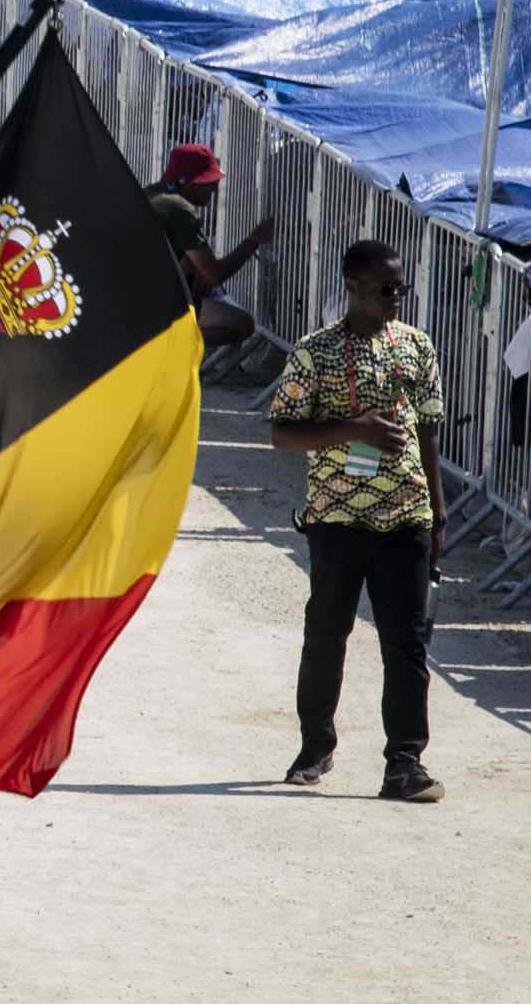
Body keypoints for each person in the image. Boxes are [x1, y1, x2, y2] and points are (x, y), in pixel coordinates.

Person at [267, 240, 445, 804]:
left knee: (407, 644)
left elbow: (429, 432)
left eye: (400, 288)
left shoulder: (416, 347)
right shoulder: (315, 353)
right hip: (337, 519)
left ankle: (405, 763)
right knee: (326, 636)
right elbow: (282, 433)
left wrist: (437, 512)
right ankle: (314, 747)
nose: (395, 298)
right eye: (383, 288)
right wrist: (352, 429)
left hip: (405, 518)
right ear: (352, 286)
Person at [148, 143, 274, 360]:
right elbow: (215, 275)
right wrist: (255, 239)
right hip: (151, 304)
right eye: (208, 183)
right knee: (242, 324)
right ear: (187, 182)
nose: (214, 189)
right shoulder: (178, 208)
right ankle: (159, 348)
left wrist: (191, 266)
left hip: (130, 296)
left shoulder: (151, 193)